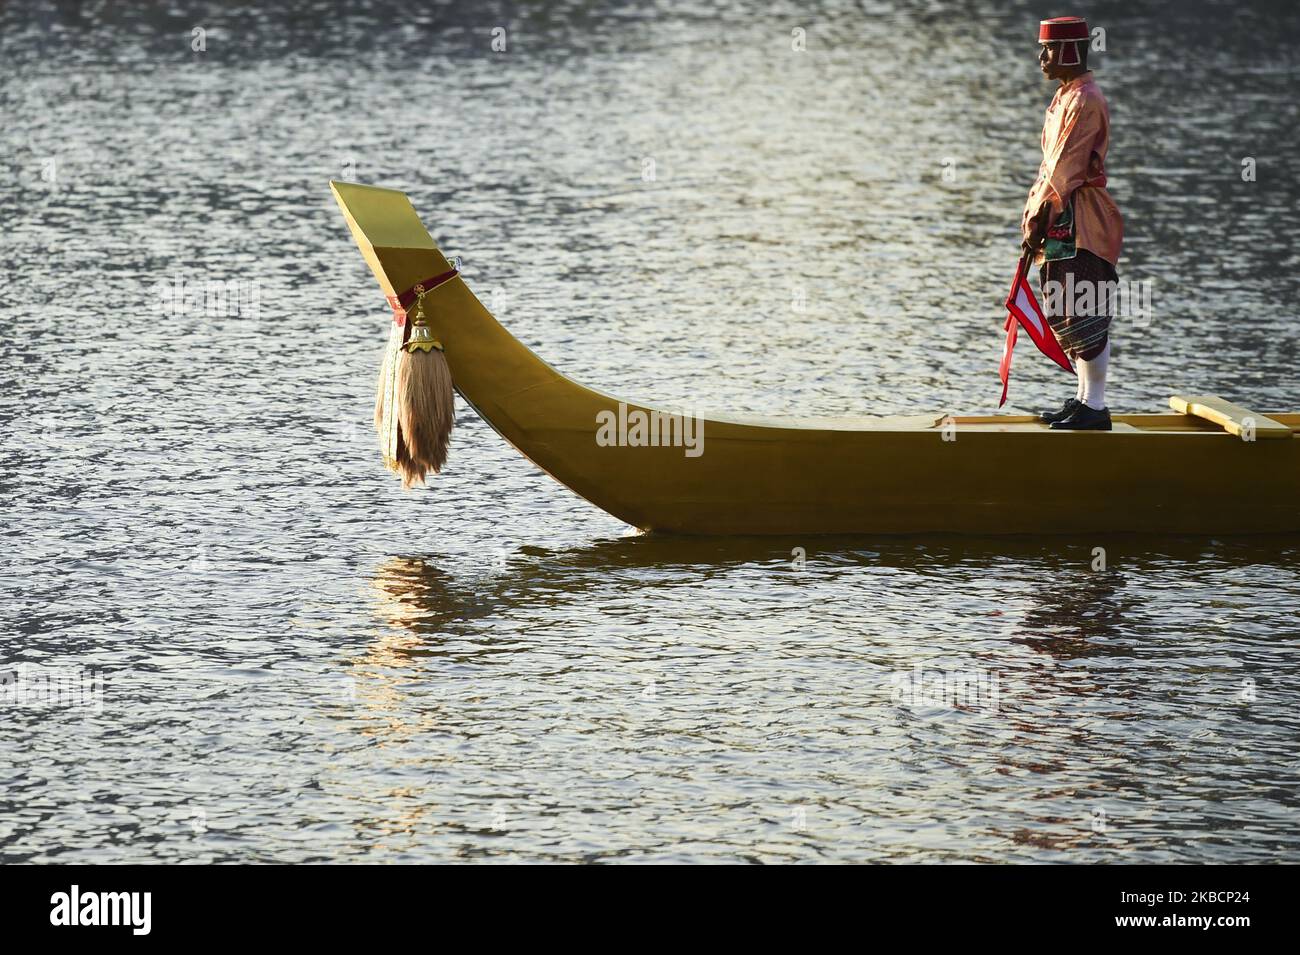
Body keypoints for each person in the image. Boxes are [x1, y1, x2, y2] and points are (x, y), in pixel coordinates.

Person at [1021, 16, 1124, 431]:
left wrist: (1036, 216)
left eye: (1047, 49)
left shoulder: (1084, 100)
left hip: (1081, 217)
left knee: (1085, 307)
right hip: (1062, 215)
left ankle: (1095, 406)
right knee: (1066, 308)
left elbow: (1064, 169)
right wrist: (1037, 214)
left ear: (1067, 52)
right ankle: (1084, 399)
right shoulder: (1068, 96)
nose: (1041, 57)